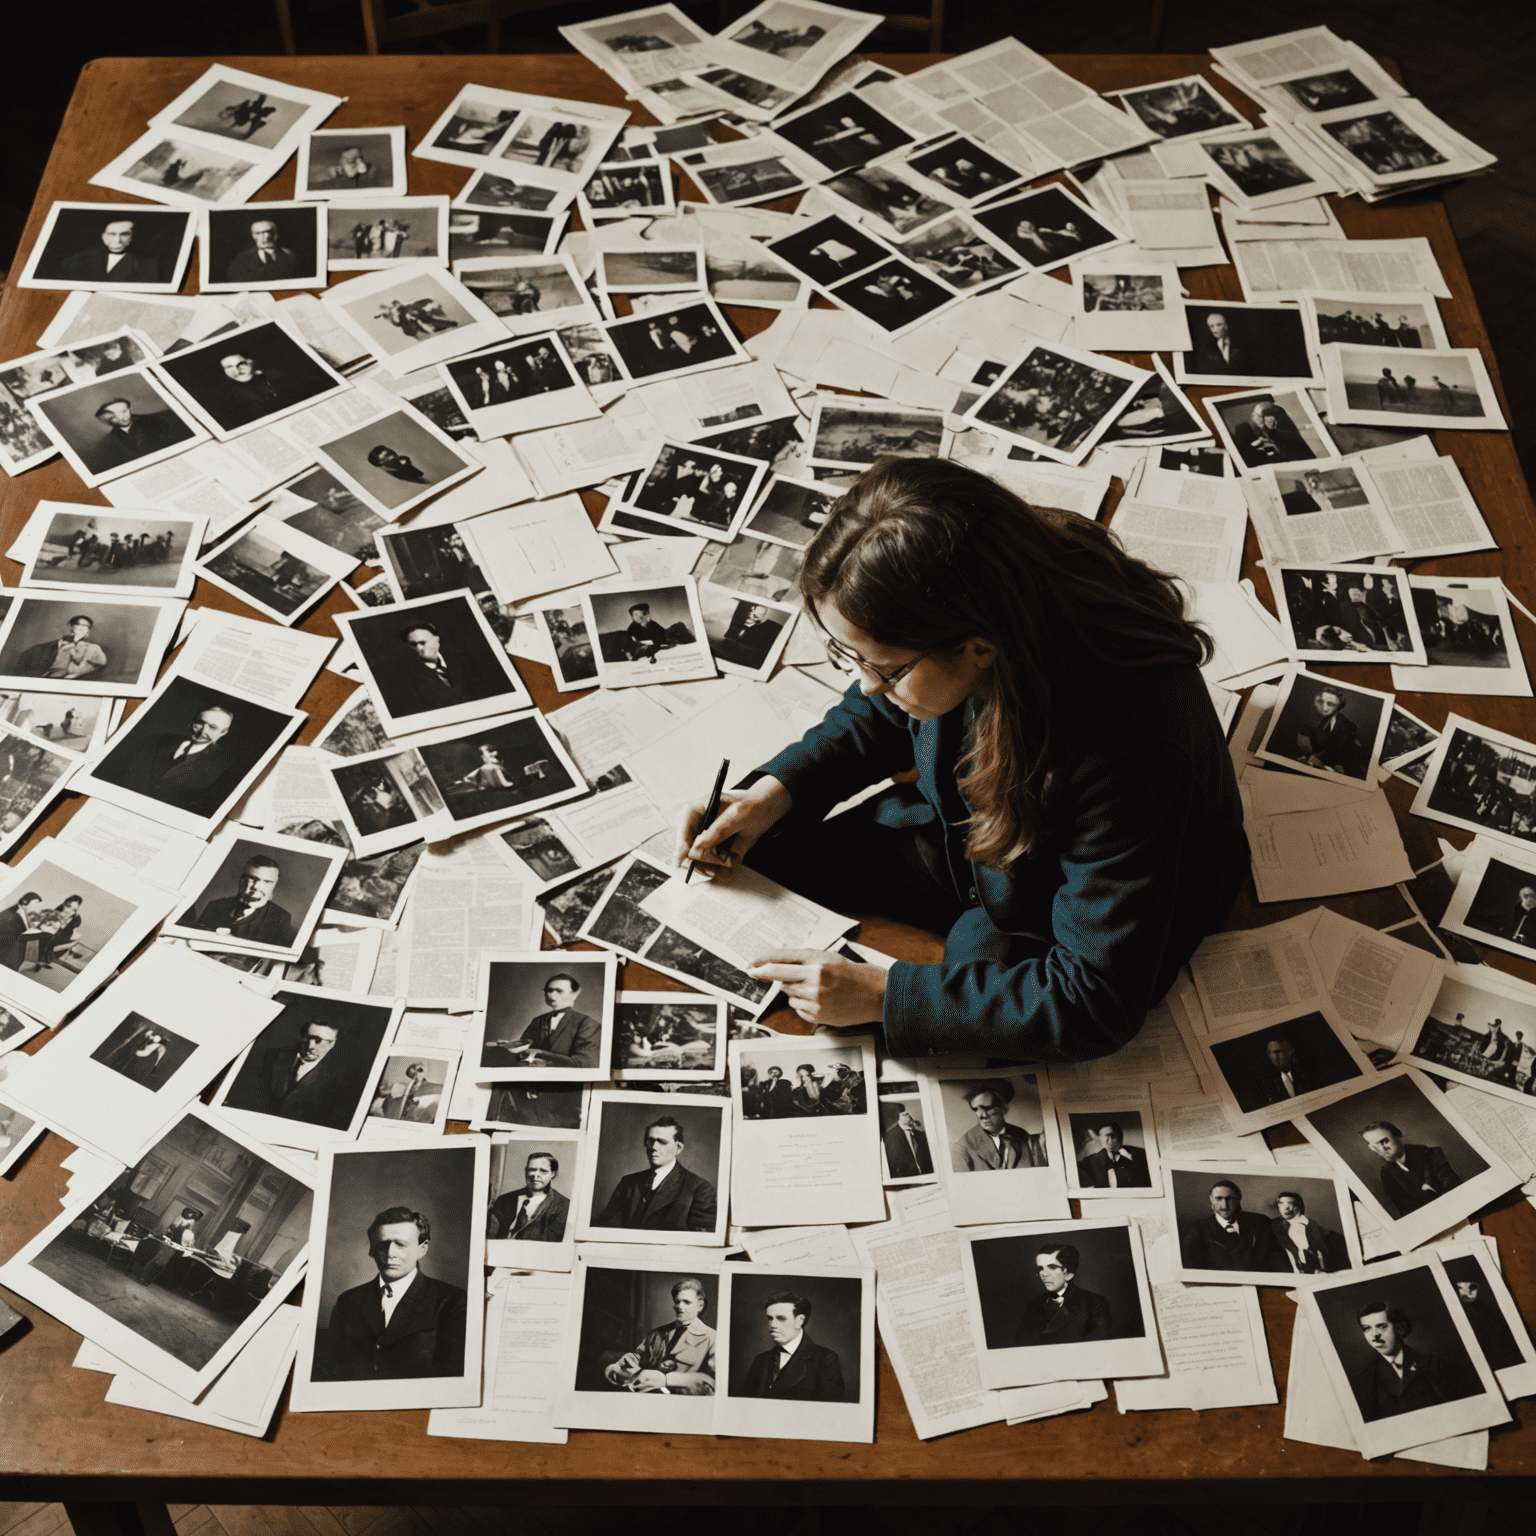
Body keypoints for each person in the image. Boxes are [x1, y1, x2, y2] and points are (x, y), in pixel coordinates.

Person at [674, 458, 1247, 1060]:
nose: (864, 685)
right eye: (849, 656)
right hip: (970, 833)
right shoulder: (989, 592)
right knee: (762, 855)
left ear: (978, 646)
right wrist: (774, 793)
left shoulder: (1125, 751)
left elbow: (1097, 999)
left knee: (973, 999)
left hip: (1073, 905)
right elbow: (889, 708)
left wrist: (883, 996)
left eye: (883, 667)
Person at [322, 1206, 467, 1380]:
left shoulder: (452, 1301)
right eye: (383, 1245)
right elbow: (333, 1368)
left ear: (422, 1249)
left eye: (401, 1244)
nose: (391, 1254)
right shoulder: (348, 1301)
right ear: (371, 1250)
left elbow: (450, 1377)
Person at [593, 1113, 718, 1231]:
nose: (653, 1147)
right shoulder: (628, 1183)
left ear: (678, 1148)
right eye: (650, 1140)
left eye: (662, 1142)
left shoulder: (700, 1189)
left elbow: (701, 1241)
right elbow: (606, 1228)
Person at [122, 702, 243, 815]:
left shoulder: (223, 765)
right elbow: (130, 773)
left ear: (223, 733)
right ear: (191, 722)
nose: (202, 732)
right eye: (200, 723)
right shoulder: (159, 739)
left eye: (212, 727)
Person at [603, 1276, 716, 1393]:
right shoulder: (657, 1334)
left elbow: (713, 1383)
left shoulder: (713, 1339)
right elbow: (640, 1357)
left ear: (700, 1305)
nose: (679, 1307)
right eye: (677, 1301)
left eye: (686, 1302)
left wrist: (666, 1380)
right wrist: (621, 1365)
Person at [1349, 1303, 1457, 1420]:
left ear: (1399, 1328)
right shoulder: (1362, 1382)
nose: (1375, 1335)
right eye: (1367, 1329)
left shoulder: (1434, 1364)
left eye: (1382, 1326)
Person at [742, 1290, 845, 1400]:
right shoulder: (760, 1360)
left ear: (799, 1321)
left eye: (781, 1318)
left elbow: (829, 1412)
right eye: (770, 1318)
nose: (772, 1325)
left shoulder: (826, 1360)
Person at [486, 972, 601, 1070]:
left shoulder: (588, 1024)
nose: (552, 996)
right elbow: (526, 1044)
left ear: (574, 994)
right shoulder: (538, 1020)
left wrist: (541, 1054)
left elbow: (584, 1063)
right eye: (549, 990)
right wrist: (509, 1045)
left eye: (559, 991)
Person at [251, 1018, 355, 1124]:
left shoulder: (339, 1077)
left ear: (332, 1044)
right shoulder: (273, 1056)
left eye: (319, 1041)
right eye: (308, 1038)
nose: (311, 1046)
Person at [184, 854, 296, 947]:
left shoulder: (281, 918)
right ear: (241, 880)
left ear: (275, 884)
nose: (257, 887)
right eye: (252, 879)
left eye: (267, 882)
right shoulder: (215, 906)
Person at [390, 622, 501, 716]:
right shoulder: (407, 679)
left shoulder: (463, 661)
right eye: (413, 645)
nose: (419, 648)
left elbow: (487, 691)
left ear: (436, 640)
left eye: (422, 642)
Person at [1179, 1179, 1288, 1272]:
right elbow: (1192, 1270)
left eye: (1230, 1199)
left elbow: (1278, 1260)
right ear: (1211, 1202)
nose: (1224, 1206)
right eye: (1218, 1199)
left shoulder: (1260, 1222)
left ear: (1238, 1201)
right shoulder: (1195, 1230)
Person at [1014, 1243, 1112, 1346]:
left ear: (1068, 1273)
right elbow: (1020, 1346)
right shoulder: (1033, 1305)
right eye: (1040, 1269)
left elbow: (1100, 1348)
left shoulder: (1094, 1303)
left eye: (1052, 1267)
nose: (1044, 1274)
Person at [1360, 1120, 1462, 1218]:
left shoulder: (1432, 1154)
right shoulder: (1386, 1173)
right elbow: (1406, 1211)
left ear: (1398, 1135)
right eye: (1374, 1146)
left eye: (1384, 1141)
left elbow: (1456, 1192)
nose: (1382, 1149)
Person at [951, 1081, 1046, 1171]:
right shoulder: (962, 1148)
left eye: (988, 1108)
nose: (982, 1115)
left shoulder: (1022, 1135)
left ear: (1004, 1109)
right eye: (975, 1109)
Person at [85, 396, 189, 472]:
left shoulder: (156, 420)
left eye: (124, 411)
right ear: (106, 420)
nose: (121, 418)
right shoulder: (109, 440)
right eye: (112, 417)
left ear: (129, 408)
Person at [488, 1151, 569, 1242]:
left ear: (553, 1174)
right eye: (532, 1170)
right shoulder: (504, 1200)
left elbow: (553, 1241)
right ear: (526, 1171)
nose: (536, 1175)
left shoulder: (563, 1205)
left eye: (543, 1171)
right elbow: (490, 1235)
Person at [59, 218, 161, 283]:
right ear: (103, 236)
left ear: (133, 236)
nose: (118, 240)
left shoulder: (149, 262)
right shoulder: (79, 259)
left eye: (124, 234)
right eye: (112, 234)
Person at [1270, 1190, 1349, 1274]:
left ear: (1299, 1206)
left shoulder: (1313, 1228)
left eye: (1291, 1203)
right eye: (1281, 1203)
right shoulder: (1275, 1226)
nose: (1286, 1207)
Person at [14, 615, 107, 681]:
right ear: (71, 626)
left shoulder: (93, 648)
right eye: (78, 624)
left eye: (86, 626)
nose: (82, 628)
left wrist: (76, 674)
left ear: (88, 631)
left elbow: (101, 663)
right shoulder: (44, 648)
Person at [1299, 686, 1362, 777]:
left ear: (1339, 706)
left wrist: (1316, 759)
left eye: (1330, 704)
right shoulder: (1319, 720)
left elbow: (1342, 757)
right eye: (1321, 702)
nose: (1324, 707)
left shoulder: (1348, 726)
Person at [1230, 401, 1310, 467]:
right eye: (1259, 416)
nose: (1262, 420)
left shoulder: (1281, 435)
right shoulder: (1244, 432)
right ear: (1253, 416)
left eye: (1267, 416)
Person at [1076, 1121, 1150, 1188]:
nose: (1109, 1141)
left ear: (1120, 1138)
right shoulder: (1088, 1163)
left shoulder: (1137, 1156)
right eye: (1106, 1137)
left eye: (1113, 1136)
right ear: (1099, 1138)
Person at [226, 218, 304, 282]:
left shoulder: (291, 256)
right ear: (253, 236)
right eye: (260, 233)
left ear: (276, 234)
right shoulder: (242, 259)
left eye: (270, 232)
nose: (266, 236)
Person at [1257, 1034, 1325, 1104]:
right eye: (1270, 1053)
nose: (1275, 1058)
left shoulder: (1310, 1072)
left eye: (1278, 1052)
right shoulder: (1267, 1082)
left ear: (1290, 1051)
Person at [32, 894, 82, 969]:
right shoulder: (52, 914)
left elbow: (74, 933)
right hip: (44, 944)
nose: (70, 912)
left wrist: (75, 941)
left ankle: (45, 960)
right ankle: (42, 960)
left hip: (58, 947)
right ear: (64, 905)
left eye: (74, 910)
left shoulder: (76, 919)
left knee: (73, 940)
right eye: (68, 907)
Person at [882, 1104, 933, 1177]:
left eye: (907, 1114)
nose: (908, 1116)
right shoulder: (889, 1137)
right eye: (904, 1114)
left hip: (927, 1175)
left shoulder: (922, 1135)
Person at [0, 892, 43, 972]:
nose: (38, 908)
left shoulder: (22, 915)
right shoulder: (11, 916)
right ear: (24, 903)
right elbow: (6, 939)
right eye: (36, 904)